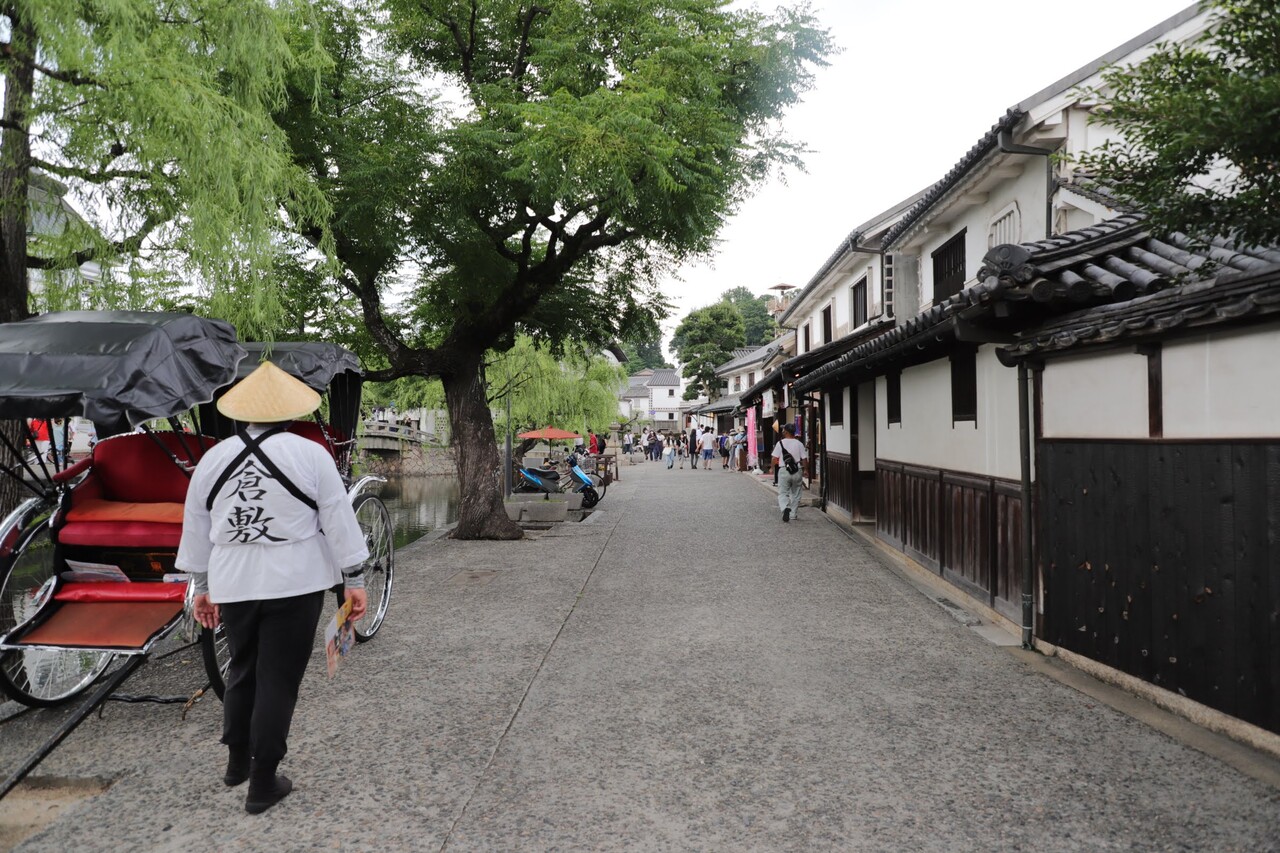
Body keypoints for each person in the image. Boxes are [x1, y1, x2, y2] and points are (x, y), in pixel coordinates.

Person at [177, 362, 370, 815]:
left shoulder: (213, 459)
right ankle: (263, 781)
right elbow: (338, 521)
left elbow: (196, 526)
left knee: (243, 668)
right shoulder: (311, 454)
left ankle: (236, 763)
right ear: (290, 412)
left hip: (233, 581)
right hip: (295, 581)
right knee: (278, 679)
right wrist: (354, 581)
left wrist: (201, 586)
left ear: (242, 412)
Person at [771, 423, 808, 522]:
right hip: (797, 470)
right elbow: (804, 458)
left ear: (786, 432)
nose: (782, 431)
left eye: (783, 430)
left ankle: (785, 507)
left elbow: (774, 458)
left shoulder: (780, 443)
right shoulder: (799, 443)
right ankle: (793, 514)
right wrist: (806, 470)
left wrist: (772, 468)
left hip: (784, 470)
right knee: (796, 493)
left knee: (783, 492)